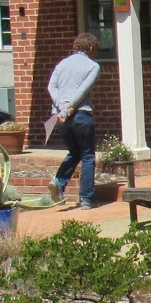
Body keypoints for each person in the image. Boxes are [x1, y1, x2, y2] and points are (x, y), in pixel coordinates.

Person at [47, 33, 102, 209]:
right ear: (91, 48)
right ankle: (86, 199)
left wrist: (61, 106)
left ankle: (58, 181)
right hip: (80, 114)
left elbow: (51, 87)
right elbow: (83, 91)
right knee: (87, 155)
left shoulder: (62, 64)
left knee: (74, 152)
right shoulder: (93, 66)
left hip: (61, 117)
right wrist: (68, 107)